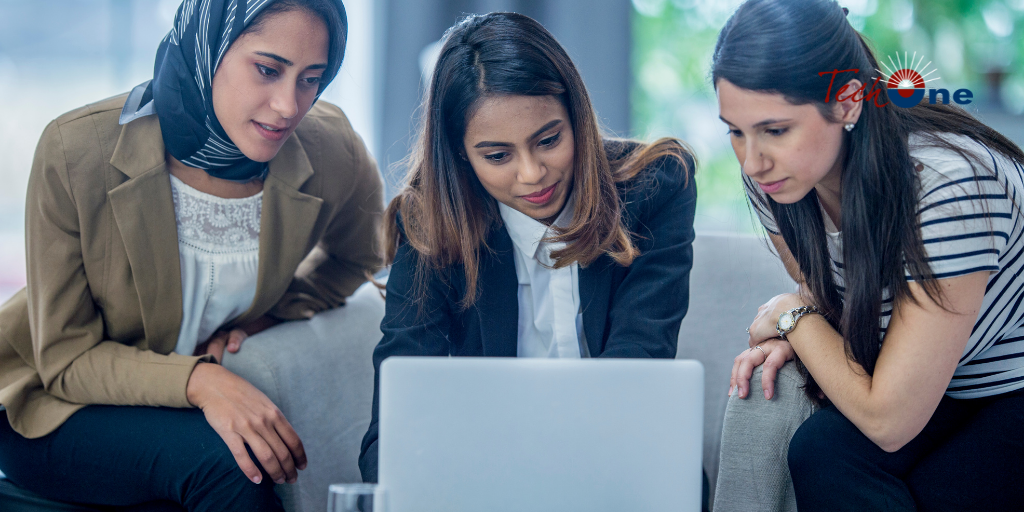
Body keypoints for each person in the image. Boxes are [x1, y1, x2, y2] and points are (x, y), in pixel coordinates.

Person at [0, 0, 383, 510]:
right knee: (231, 468)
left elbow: (359, 257)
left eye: (311, 79)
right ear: (208, 47)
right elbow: (67, 360)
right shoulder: (76, 151)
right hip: (57, 404)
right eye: (267, 70)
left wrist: (273, 317)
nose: (289, 106)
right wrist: (202, 381)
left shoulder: (331, 148)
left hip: (180, 407)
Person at [357, 12, 698, 483]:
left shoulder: (656, 187)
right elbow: (394, 425)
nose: (532, 174)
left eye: (549, 140)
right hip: (487, 478)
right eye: (498, 155)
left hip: (620, 465)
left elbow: (636, 370)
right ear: (460, 156)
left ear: (577, 118)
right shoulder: (431, 224)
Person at [710, 1, 1024, 511]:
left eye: (775, 130)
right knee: (820, 452)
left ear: (849, 103)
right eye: (735, 131)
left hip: (1012, 381)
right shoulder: (780, 181)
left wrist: (791, 316)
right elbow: (827, 298)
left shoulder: (948, 187)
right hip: (943, 384)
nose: (752, 161)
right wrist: (808, 328)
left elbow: (888, 420)